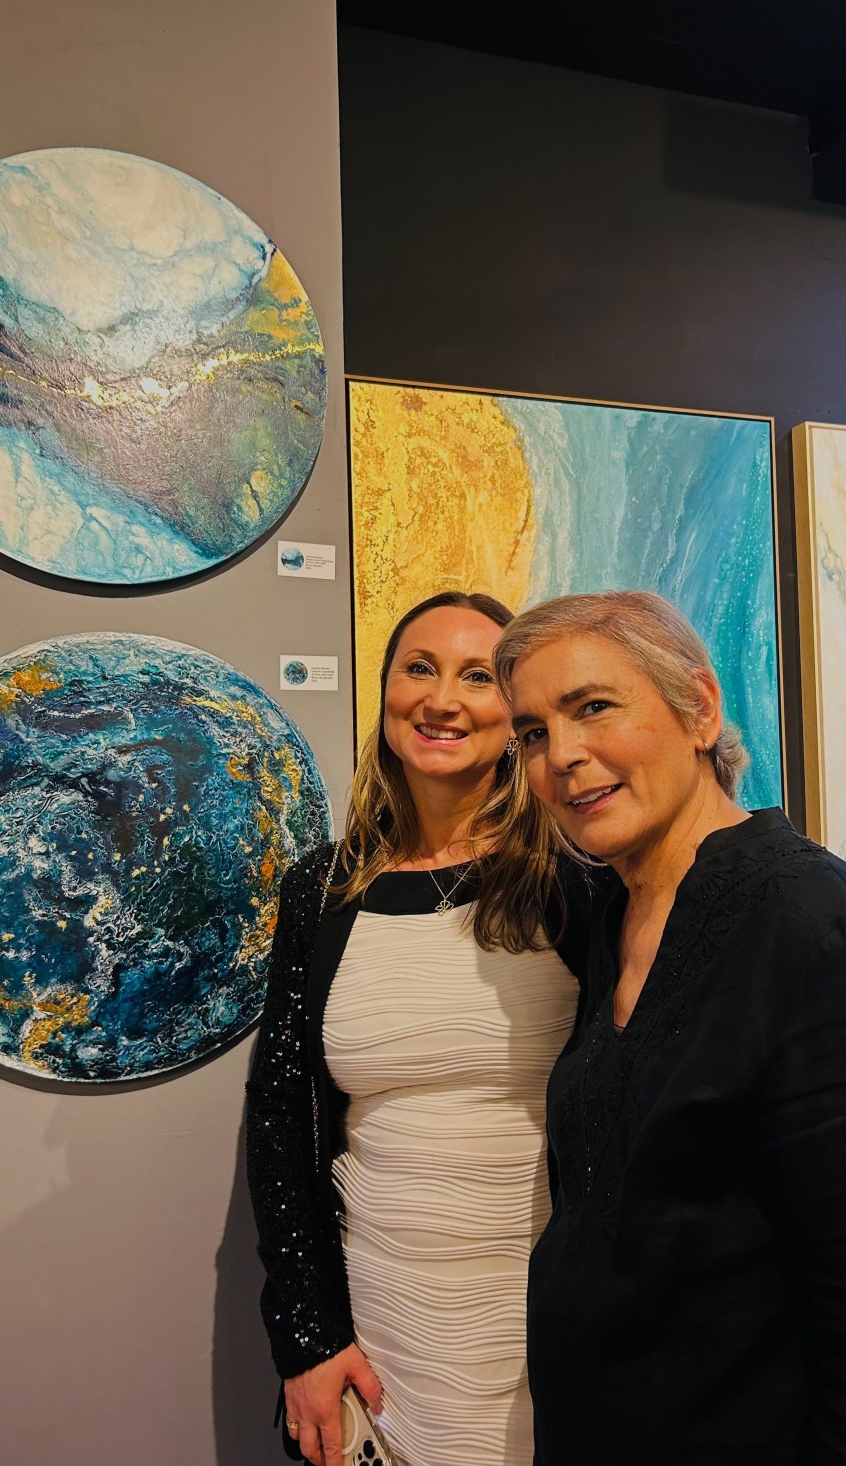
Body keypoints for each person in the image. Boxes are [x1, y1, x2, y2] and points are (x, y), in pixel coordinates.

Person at [494, 589, 846, 1466]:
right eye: (531, 733)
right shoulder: (618, 914)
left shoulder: (819, 932)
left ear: (700, 710)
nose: (561, 756)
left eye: (592, 707)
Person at [245, 591, 593, 1466]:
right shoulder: (323, 890)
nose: (442, 700)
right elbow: (280, 1118)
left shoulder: (574, 878)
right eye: (419, 669)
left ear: (516, 712)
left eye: (477, 677)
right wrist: (307, 1338)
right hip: (380, 1338)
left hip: (547, 1332)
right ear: (387, 691)